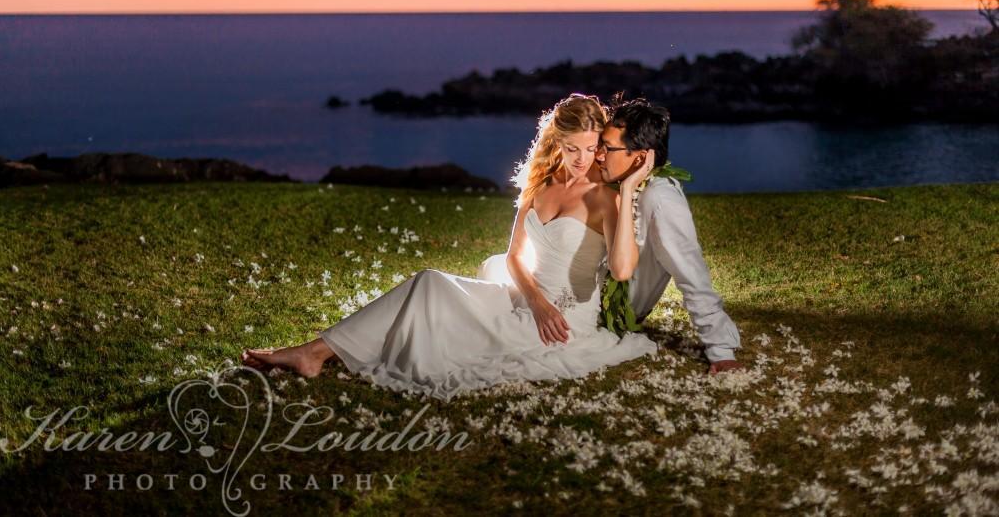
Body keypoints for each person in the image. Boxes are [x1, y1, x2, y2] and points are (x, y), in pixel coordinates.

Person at [241, 94, 656, 400]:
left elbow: (622, 270)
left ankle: (312, 353)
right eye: (572, 148)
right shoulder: (540, 187)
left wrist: (629, 188)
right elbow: (515, 256)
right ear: (557, 142)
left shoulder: (604, 199)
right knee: (429, 283)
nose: (582, 159)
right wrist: (535, 301)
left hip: (563, 322)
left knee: (439, 315)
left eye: (591, 149)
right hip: (527, 300)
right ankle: (315, 352)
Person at [595, 96, 743, 374]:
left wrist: (721, 349)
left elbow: (690, 271)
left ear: (640, 158)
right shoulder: (619, 183)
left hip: (608, 309)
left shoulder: (660, 199)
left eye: (608, 148)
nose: (599, 155)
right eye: (600, 145)